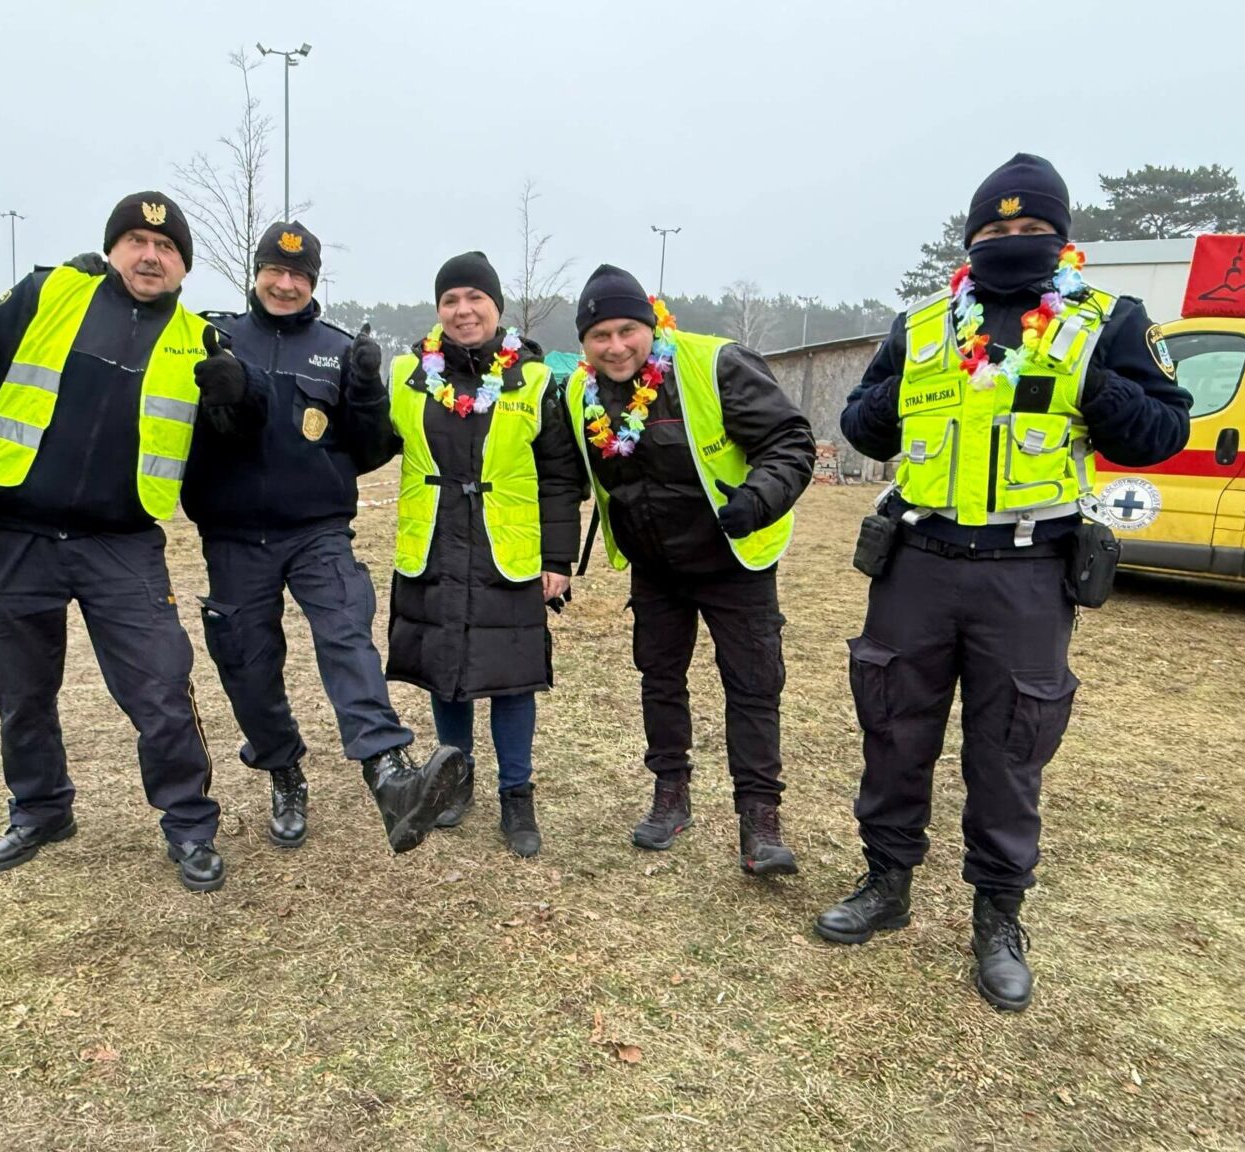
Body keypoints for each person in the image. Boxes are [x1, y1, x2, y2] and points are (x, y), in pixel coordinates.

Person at [817, 154, 1192, 1011]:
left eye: (1031, 231)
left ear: (1062, 240)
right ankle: (885, 883)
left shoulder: (1108, 319)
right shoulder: (921, 325)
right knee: (892, 723)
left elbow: (1162, 428)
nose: (1012, 243)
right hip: (917, 560)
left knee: (1012, 744)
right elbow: (862, 421)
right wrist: (887, 403)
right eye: (995, 231)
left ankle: (998, 916)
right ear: (971, 240)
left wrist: (1090, 387)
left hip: (1027, 570)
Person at [0, 191, 235, 893]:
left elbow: (226, 444)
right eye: (136, 242)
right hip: (14, 535)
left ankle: (189, 824)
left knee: (160, 688)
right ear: (114, 249)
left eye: (167, 249)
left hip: (120, 542)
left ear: (184, 265)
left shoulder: (199, 341)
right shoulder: (47, 294)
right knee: (19, 691)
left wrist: (238, 400)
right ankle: (40, 810)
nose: (150, 256)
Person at [180, 221, 465, 854]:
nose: (286, 284)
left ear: (313, 282)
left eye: (300, 275)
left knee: (345, 635)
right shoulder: (211, 335)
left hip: (317, 531)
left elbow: (366, 451)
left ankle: (389, 773)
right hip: (232, 535)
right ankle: (284, 771)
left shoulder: (337, 349)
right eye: (276, 272)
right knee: (248, 664)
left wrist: (365, 393)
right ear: (257, 274)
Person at [566, 265, 816, 875]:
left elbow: (790, 439)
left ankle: (760, 822)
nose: (617, 346)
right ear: (584, 343)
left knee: (754, 686)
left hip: (734, 558)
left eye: (628, 330)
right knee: (659, 679)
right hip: (655, 568)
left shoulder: (716, 364)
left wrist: (757, 499)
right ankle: (670, 795)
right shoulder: (580, 393)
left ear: (652, 325)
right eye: (600, 335)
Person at [382, 252, 586, 857]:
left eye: (475, 298)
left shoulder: (537, 379)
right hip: (436, 544)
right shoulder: (410, 375)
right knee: (445, 674)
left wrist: (558, 558)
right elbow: (367, 441)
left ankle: (516, 796)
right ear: (438, 310)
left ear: (496, 306)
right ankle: (452, 779)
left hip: (509, 551)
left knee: (511, 679)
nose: (463, 310)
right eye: (450, 300)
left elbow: (559, 475)